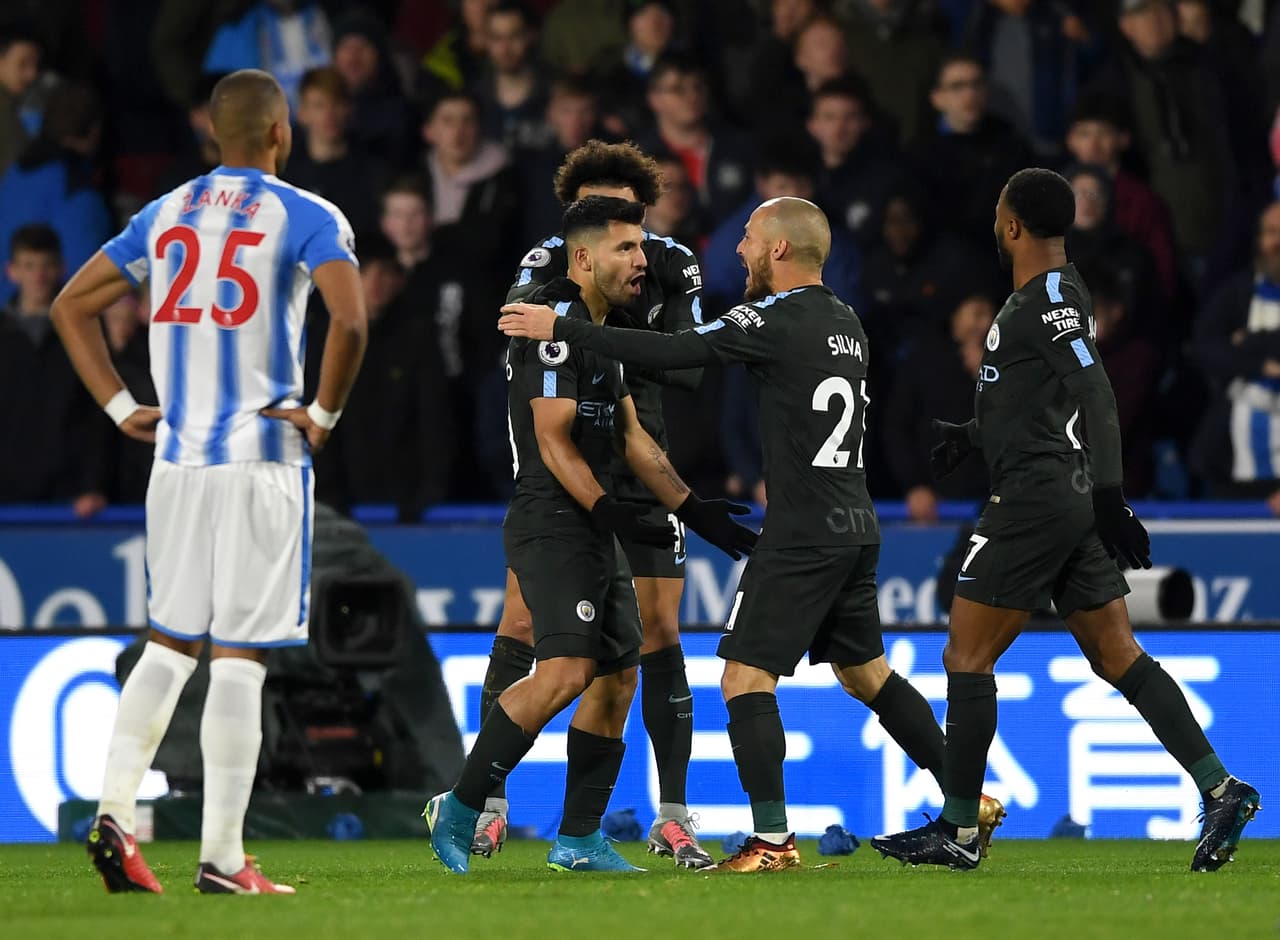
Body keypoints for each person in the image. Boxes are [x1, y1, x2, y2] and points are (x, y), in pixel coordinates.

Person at [498, 196, 1005, 872]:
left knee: (743, 679)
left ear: (779, 251)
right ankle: (970, 804)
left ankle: (772, 843)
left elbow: (678, 352)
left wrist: (565, 326)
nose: (737, 251)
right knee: (867, 674)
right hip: (856, 521)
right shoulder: (847, 320)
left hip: (801, 531)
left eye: (747, 239)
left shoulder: (773, 317)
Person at [867, 168, 1259, 872]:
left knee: (967, 654)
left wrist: (1112, 498)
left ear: (1012, 225)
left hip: (1037, 498)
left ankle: (958, 829)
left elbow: (1096, 394)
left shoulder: (1047, 296)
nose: (994, 223)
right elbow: (1040, 402)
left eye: (997, 213)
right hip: (1062, 491)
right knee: (1116, 655)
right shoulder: (1042, 296)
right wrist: (975, 430)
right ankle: (1220, 786)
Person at [51, 69, 367, 895]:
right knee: (238, 656)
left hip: (177, 460)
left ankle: (116, 809)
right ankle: (223, 859)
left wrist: (122, 405)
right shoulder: (306, 214)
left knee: (167, 642)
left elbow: (69, 307)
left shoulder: (166, 213)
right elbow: (353, 318)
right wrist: (325, 414)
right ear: (280, 132)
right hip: (261, 456)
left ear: (212, 133)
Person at [424, 195, 756, 876]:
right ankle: (458, 807)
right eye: (625, 249)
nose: (641, 260)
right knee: (567, 670)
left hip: (591, 525)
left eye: (641, 247)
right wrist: (606, 510)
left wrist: (696, 511)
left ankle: (578, 840)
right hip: (553, 521)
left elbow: (635, 439)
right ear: (584, 257)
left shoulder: (602, 331)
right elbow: (551, 439)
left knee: (618, 678)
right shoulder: (558, 327)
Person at [473, 140, 713, 868]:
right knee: (525, 622)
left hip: (645, 455)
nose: (617, 225)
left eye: (626, 212)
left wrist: (589, 333)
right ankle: (485, 805)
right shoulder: (545, 263)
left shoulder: (672, 262)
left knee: (654, 637)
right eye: (597, 210)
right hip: (566, 456)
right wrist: (621, 341)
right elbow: (523, 346)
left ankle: (668, 818)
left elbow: (693, 366)